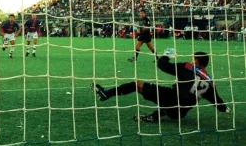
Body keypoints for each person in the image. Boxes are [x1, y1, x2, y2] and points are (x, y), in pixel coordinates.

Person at [93, 51, 231, 122]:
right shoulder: (209, 82)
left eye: (193, 58)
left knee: (137, 85)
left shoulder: (187, 67)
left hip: (171, 101)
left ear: (196, 60)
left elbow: (162, 65)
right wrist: (225, 109)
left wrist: (166, 55)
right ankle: (154, 116)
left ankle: (106, 94)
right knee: (177, 97)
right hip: (180, 114)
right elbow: (217, 101)